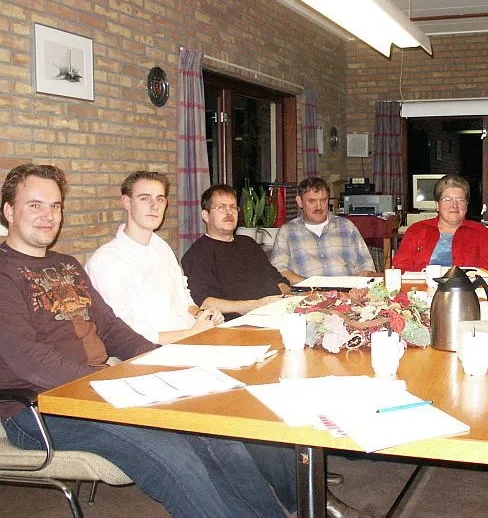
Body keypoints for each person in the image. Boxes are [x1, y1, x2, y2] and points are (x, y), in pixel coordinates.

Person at [0, 164, 297, 517]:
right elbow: (28, 359)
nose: (49, 215)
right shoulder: (5, 273)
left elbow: (110, 327)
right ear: (9, 211)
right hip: (37, 408)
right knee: (175, 457)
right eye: (35, 205)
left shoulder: (67, 265)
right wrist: (108, 380)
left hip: (96, 390)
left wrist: (157, 363)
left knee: (216, 433)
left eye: (55, 206)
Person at [85, 171, 223, 344]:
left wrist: (201, 314)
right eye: (145, 198)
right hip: (152, 349)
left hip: (190, 336)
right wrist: (192, 333)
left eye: (160, 199)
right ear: (126, 202)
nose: (154, 206)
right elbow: (123, 334)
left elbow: (183, 297)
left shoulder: (161, 246)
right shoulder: (106, 261)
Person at [182, 184, 291, 320]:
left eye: (233, 207)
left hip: (279, 314)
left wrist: (288, 299)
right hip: (239, 324)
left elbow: (278, 280)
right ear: (205, 215)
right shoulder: (198, 254)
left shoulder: (248, 243)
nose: (229, 212)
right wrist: (254, 306)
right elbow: (203, 302)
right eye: (221, 207)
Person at [392, 174, 488, 275]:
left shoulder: (480, 232)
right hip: (421, 289)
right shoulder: (416, 230)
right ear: (437, 205)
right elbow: (400, 269)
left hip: (467, 290)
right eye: (447, 200)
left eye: (460, 200)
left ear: (466, 205)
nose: (454, 205)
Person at [271, 177, 376, 284]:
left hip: (348, 291)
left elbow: (366, 266)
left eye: (323, 200)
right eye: (312, 201)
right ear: (300, 202)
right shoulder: (287, 232)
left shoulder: (347, 227)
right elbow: (280, 272)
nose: (319, 207)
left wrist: (359, 287)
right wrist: (314, 286)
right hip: (307, 292)